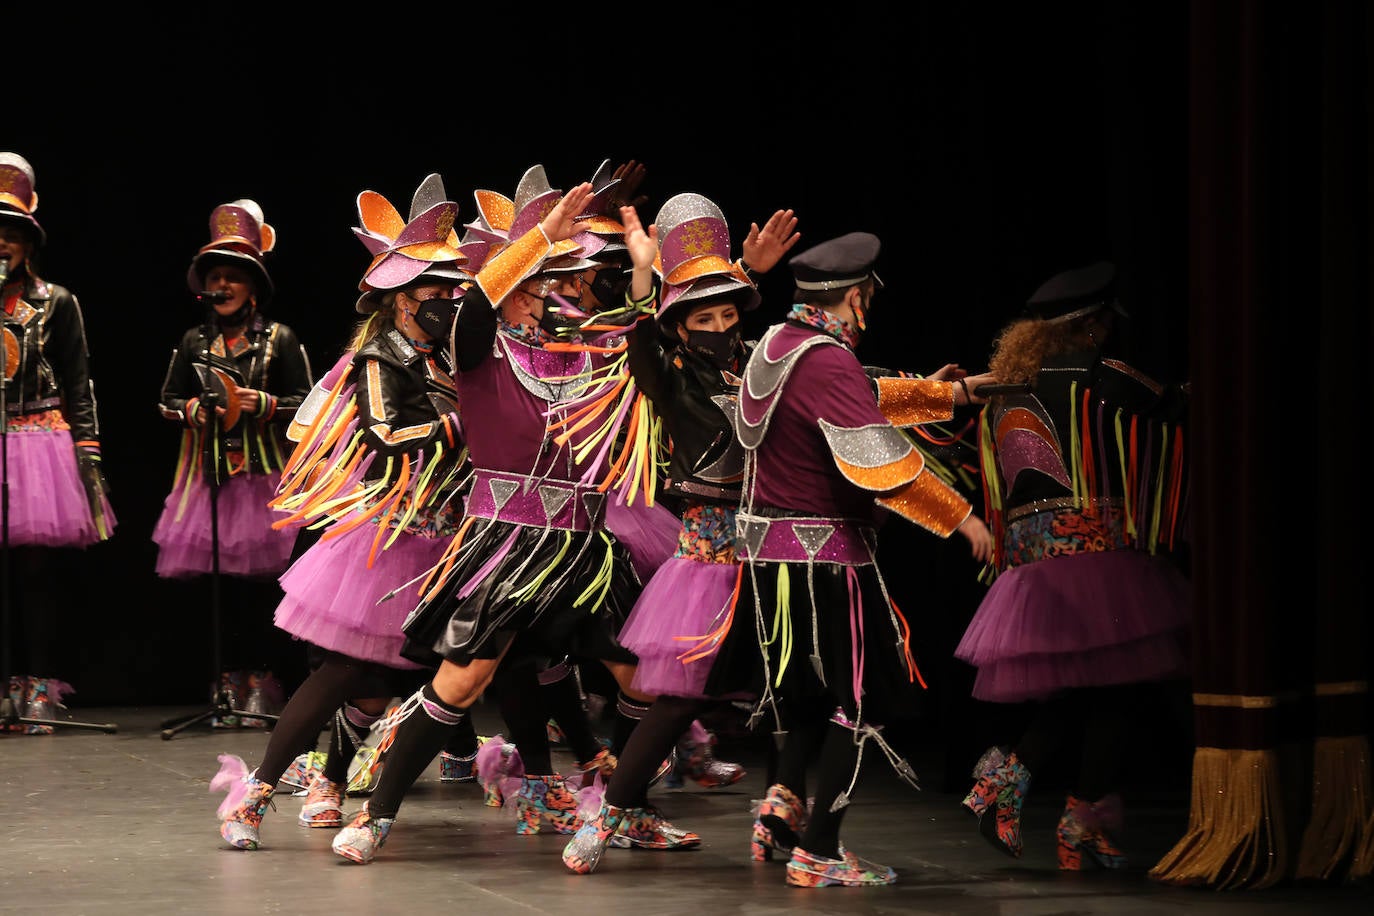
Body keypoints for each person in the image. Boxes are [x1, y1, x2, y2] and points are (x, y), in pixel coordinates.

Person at [329, 170, 672, 865]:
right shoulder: (478, 348)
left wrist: (643, 276)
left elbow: (638, 343)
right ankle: (377, 816)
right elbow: (479, 301)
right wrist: (542, 233)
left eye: (554, 276)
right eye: (540, 276)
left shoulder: (571, 345)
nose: (551, 287)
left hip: (583, 544)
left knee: (643, 680)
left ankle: (626, 812)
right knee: (464, 679)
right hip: (507, 543)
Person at [700, 231, 996, 888]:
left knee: (804, 697)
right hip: (825, 562)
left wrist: (951, 395)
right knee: (862, 700)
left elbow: (860, 393)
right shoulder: (825, 359)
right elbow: (877, 459)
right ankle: (820, 851)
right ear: (857, 298)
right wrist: (962, 517)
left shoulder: (777, 347)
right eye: (868, 300)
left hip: (770, 560)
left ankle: (778, 815)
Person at [212, 173, 476, 849]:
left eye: (453, 287)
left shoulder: (457, 350)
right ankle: (257, 795)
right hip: (395, 534)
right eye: (433, 289)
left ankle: (334, 777)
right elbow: (386, 437)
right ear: (399, 297)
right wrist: (459, 428)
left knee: (397, 678)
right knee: (346, 671)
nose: (447, 298)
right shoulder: (379, 356)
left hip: (454, 534)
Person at [562, 192, 800, 875]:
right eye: (706, 317)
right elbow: (641, 344)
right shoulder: (666, 376)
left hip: (772, 552)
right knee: (672, 703)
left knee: (787, 694)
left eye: (730, 314)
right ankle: (605, 817)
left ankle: (780, 822)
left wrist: (746, 276)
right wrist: (644, 280)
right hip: (706, 555)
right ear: (681, 325)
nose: (722, 326)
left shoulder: (759, 363)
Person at [954, 260, 1190, 870]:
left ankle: (1016, 790)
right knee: (1116, 687)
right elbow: (1174, 413)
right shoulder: (1104, 376)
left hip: (1033, 566)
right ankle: (1074, 814)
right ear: (1094, 325)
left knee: (1088, 687)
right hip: (1098, 558)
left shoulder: (1007, 388)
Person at [154, 199, 314, 717]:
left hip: (264, 477)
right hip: (213, 477)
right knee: (222, 587)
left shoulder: (280, 340)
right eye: (215, 277)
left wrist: (265, 404)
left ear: (254, 287)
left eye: (233, 277)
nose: (221, 287)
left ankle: (265, 683)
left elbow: (311, 405)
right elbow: (166, 400)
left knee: (266, 586)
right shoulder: (193, 340)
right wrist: (195, 411)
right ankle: (227, 682)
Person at [0, 151, 116, 733]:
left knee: (36, 572)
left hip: (39, 439)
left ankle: (39, 688)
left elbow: (78, 380)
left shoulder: (56, 301)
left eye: (10, 233)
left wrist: (88, 451)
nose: (1, 243)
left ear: (28, 241)